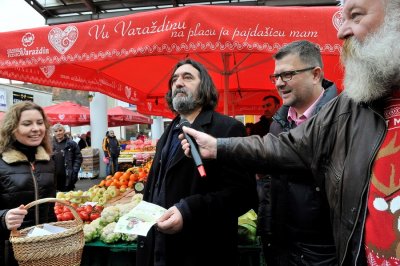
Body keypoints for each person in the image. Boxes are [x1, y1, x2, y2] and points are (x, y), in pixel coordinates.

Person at [181, 0, 400, 264]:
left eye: (356, 16)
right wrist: (218, 147)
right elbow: (283, 147)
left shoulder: (338, 107)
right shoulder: (350, 107)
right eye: (276, 77)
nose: (342, 32)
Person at [136, 58, 257, 266]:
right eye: (174, 79)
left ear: (204, 87)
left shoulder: (227, 129)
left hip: (201, 250)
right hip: (160, 248)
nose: (178, 83)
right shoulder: (169, 132)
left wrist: (188, 210)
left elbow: (242, 194)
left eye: (187, 77)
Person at [257, 40, 338, 266]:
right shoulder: (278, 123)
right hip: (281, 248)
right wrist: (267, 228)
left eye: (288, 75)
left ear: (315, 74)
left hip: (323, 253)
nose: (279, 84)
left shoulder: (341, 119)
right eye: (276, 77)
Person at [0, 101, 56, 265]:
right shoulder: (1, 161)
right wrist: (3, 218)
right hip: (8, 252)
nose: (36, 129)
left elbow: (51, 209)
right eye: (27, 124)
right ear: (12, 128)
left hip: (43, 249)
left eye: (40, 123)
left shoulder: (48, 161)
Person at [52, 123, 82, 191]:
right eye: (56, 131)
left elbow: (78, 158)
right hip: (54, 178)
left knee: (68, 199)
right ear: (53, 132)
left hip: (68, 177)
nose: (58, 133)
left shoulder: (72, 143)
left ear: (64, 131)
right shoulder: (50, 144)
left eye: (60, 130)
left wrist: (75, 171)